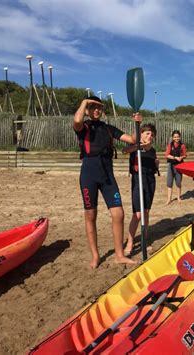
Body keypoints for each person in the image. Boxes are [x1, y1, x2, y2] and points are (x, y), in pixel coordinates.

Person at [73, 96, 139, 269]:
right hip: (89, 174)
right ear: (87, 109)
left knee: (118, 214)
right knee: (90, 215)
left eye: (99, 108)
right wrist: (84, 102)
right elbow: (77, 120)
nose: (96, 110)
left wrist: (137, 124)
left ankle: (119, 255)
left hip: (107, 176)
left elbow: (132, 140)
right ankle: (95, 256)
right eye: (92, 107)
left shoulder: (109, 128)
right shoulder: (84, 127)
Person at [122, 123, 159, 256]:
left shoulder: (153, 150)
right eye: (147, 133)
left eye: (152, 134)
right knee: (137, 214)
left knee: (146, 212)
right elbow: (124, 151)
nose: (150, 136)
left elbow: (154, 167)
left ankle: (145, 240)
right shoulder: (136, 148)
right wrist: (139, 146)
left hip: (150, 181)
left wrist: (156, 164)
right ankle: (130, 243)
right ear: (141, 134)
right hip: (138, 180)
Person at [165, 130, 187, 204]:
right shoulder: (169, 145)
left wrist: (181, 157)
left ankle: (178, 197)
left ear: (180, 137)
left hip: (179, 166)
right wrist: (175, 157)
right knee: (169, 182)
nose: (176, 138)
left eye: (177, 137)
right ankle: (169, 199)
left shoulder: (183, 145)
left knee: (178, 182)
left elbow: (185, 155)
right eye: (175, 137)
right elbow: (167, 155)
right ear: (172, 137)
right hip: (171, 165)